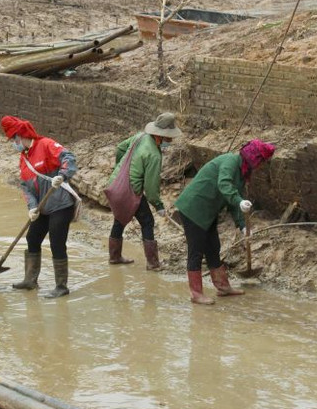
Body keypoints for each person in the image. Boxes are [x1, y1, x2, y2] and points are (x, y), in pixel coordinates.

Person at [174, 139, 275, 305]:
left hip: (208, 211)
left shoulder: (242, 172)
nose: (261, 165)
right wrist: (238, 200)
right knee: (196, 251)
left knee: (213, 247)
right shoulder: (231, 162)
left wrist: (243, 226)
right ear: (254, 158)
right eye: (261, 161)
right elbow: (224, 184)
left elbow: (234, 203)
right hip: (193, 208)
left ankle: (223, 287)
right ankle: (196, 294)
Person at [0, 115, 77, 298]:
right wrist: (32, 208)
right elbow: (26, 187)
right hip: (43, 207)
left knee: (57, 242)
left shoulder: (46, 144)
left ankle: (61, 287)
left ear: (21, 135)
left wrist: (62, 175)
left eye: (14, 139)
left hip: (60, 203)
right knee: (32, 238)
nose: (14, 143)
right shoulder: (23, 158)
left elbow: (69, 157)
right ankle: (30, 280)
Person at [107, 112, 181, 270]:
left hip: (114, 185)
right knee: (147, 222)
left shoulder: (140, 137)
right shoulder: (154, 155)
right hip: (128, 192)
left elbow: (120, 148)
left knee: (119, 219)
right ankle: (153, 264)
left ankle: (114, 257)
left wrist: (120, 168)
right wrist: (158, 205)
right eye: (168, 138)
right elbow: (151, 187)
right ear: (160, 136)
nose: (170, 141)